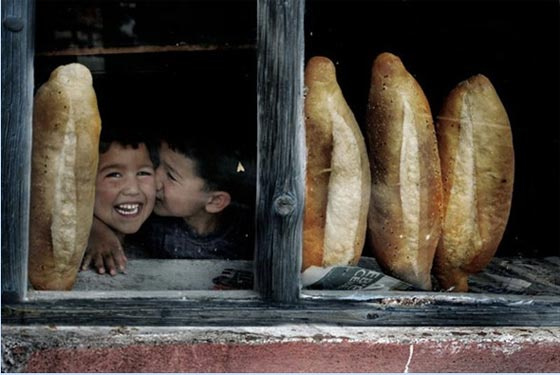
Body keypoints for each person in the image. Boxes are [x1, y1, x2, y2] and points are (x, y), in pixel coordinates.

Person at [84, 129, 254, 274]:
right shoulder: (148, 219)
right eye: (156, 165)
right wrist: (95, 231)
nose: (155, 181)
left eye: (170, 176)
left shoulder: (248, 234)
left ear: (215, 201)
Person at [81, 128, 157, 275]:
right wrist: (87, 229)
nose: (133, 189)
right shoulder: (71, 243)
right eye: (114, 175)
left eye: (143, 173)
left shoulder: (162, 236)